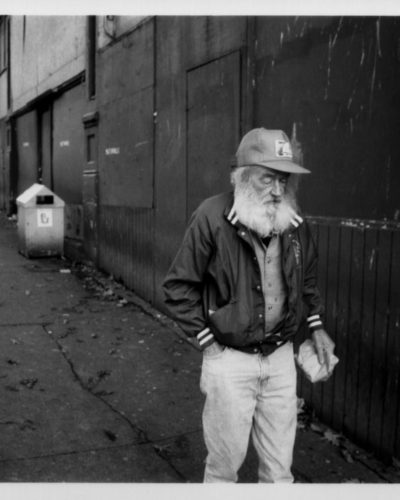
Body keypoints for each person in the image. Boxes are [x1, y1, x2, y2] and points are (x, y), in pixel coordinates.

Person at [162, 128, 336, 483]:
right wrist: (208, 345)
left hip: (280, 359)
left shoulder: (294, 223)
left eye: (283, 180)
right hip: (229, 360)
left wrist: (316, 326)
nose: (277, 191)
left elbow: (308, 282)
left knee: (279, 472)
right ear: (242, 176)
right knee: (224, 470)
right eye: (268, 178)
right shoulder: (211, 217)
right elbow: (178, 287)